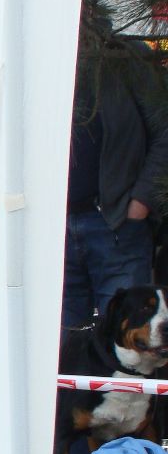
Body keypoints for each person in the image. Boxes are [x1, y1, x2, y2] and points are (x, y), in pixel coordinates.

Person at [62, 38, 168, 328]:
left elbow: (164, 130)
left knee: (127, 342)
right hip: (51, 227)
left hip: (116, 223)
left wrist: (141, 202)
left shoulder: (124, 57)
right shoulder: (35, 55)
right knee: (59, 343)